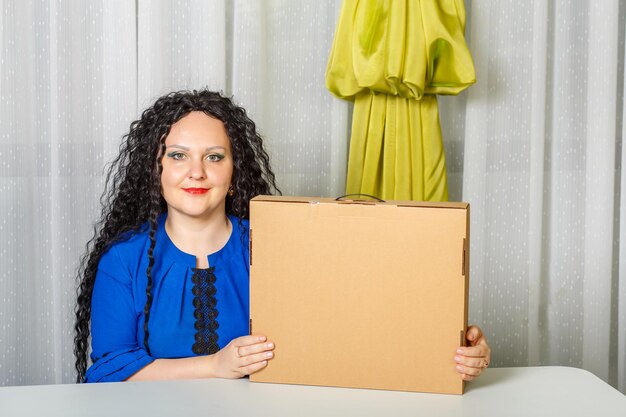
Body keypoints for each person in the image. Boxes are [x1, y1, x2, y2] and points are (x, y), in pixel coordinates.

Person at [73, 89, 491, 383]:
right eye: (178, 155)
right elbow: (110, 371)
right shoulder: (123, 261)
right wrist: (215, 367)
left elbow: (357, 322)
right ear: (155, 170)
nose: (196, 172)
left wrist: (449, 343)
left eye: (214, 157)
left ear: (234, 173)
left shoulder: (281, 245)